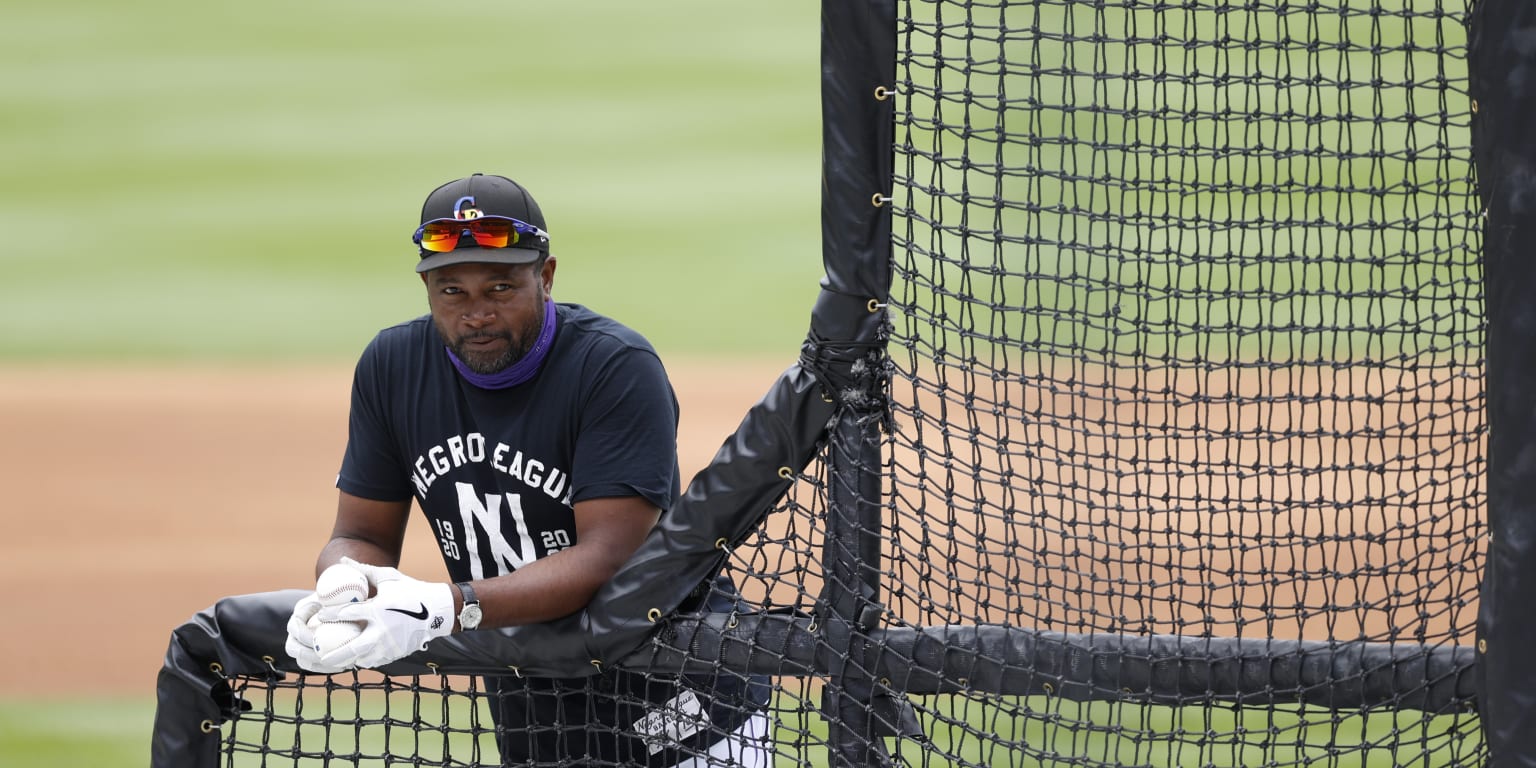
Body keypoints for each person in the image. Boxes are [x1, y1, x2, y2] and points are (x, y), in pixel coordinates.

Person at [282, 173, 770, 766]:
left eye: (501, 287)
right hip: (531, 703)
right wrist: (345, 584)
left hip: (678, 695)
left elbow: (606, 557)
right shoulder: (392, 367)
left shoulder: (613, 368)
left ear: (546, 276)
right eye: (451, 290)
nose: (476, 314)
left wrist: (446, 605)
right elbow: (360, 534)